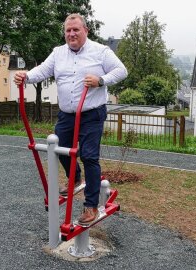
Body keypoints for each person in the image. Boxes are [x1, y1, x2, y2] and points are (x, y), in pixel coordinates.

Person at [14, 13, 127, 227]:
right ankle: (75, 178)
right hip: (67, 114)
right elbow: (43, 70)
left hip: (92, 113)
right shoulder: (58, 53)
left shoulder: (100, 51)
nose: (72, 34)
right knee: (60, 149)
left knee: (89, 156)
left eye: (76, 29)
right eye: (68, 30)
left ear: (86, 31)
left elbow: (121, 70)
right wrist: (26, 76)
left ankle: (91, 205)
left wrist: (100, 80)